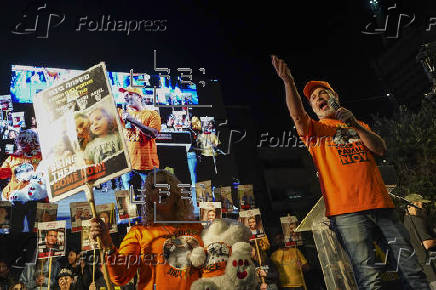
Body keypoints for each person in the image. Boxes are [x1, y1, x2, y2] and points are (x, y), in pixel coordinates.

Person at [272, 55, 430, 289]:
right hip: (347, 213)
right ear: (313, 109)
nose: (317, 98)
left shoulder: (359, 125)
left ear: (335, 98)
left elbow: (380, 148)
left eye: (322, 93)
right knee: (368, 276)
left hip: (381, 205)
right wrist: (288, 82)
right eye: (313, 98)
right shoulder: (314, 130)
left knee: (410, 267)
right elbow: (297, 115)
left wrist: (354, 124)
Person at [90, 170, 203, 290]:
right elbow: (120, 275)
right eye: (154, 187)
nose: (160, 189)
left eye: (164, 184)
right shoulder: (139, 232)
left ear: (176, 192)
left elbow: (210, 270)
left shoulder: (196, 227)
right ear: (149, 198)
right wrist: (108, 245)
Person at [118, 87, 161, 192]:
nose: (126, 97)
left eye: (129, 94)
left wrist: (133, 121)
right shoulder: (122, 114)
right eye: (124, 96)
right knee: (131, 199)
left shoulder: (152, 114)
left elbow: (153, 133)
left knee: (152, 198)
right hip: (128, 165)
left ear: (139, 97)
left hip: (147, 165)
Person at [403, 193, 436, 289]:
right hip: (431, 270)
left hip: (421, 270)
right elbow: (427, 244)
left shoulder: (405, 221)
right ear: (409, 206)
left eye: (421, 204)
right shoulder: (416, 220)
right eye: (418, 204)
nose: (421, 207)